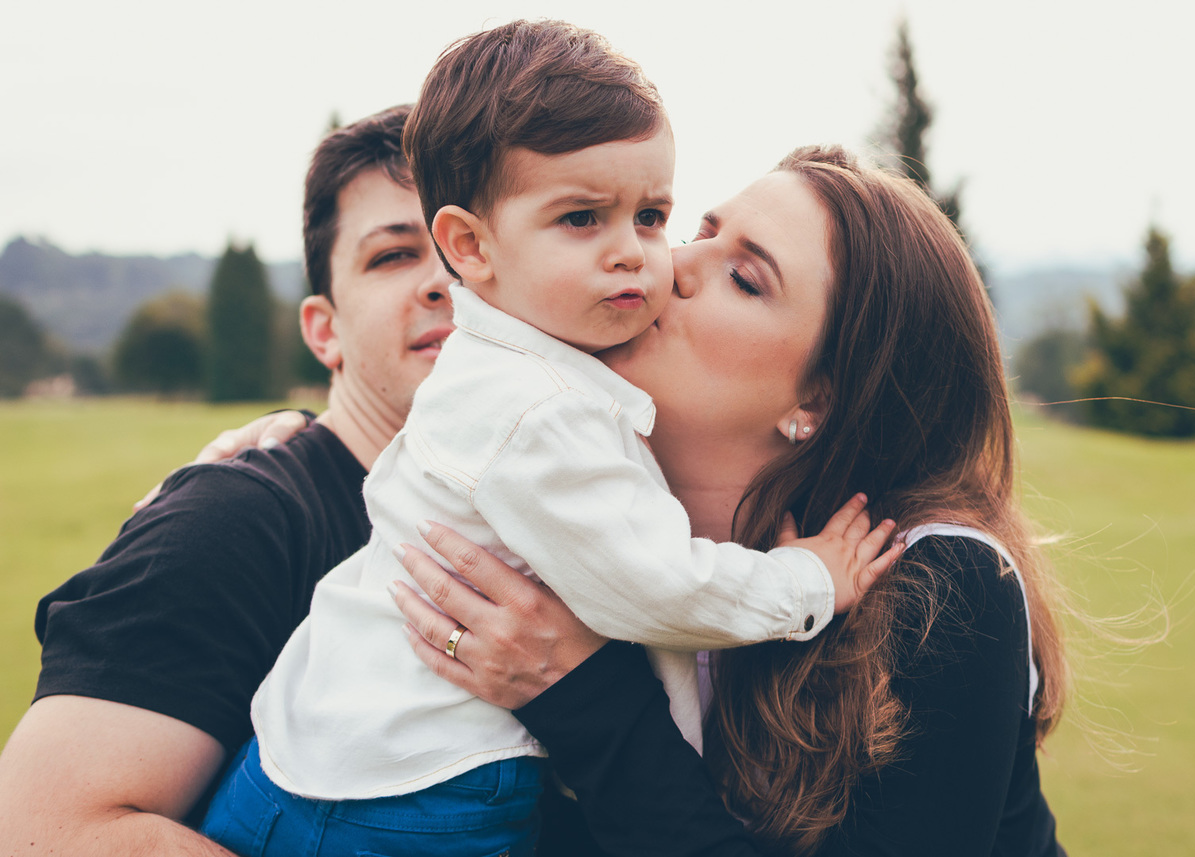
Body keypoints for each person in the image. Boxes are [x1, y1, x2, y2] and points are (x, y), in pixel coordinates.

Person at [200, 20, 899, 857]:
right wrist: (807, 581)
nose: (638, 257)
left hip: (320, 751)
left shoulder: (508, 373)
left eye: (650, 214)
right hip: (415, 789)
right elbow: (659, 585)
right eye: (580, 218)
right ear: (469, 245)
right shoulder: (542, 410)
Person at [390, 146, 1070, 855]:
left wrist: (579, 689)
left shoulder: (939, 584)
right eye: (693, 232)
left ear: (818, 398)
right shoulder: (576, 514)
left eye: (743, 277)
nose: (668, 264)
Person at [0, 105, 455, 855]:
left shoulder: (556, 508)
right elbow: (40, 829)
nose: (443, 280)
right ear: (323, 329)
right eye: (392, 255)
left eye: (465, 248)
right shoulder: (239, 516)